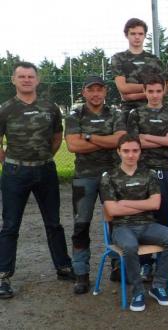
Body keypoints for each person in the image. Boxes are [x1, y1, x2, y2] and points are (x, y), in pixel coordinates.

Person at [0, 62, 74, 299]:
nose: (26, 80)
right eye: (21, 76)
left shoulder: (49, 107)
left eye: (30, 76)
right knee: (10, 226)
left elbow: (57, 136)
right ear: (14, 80)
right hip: (15, 173)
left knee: (54, 222)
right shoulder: (6, 109)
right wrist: (8, 162)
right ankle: (3, 276)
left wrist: (46, 158)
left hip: (45, 171)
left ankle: (63, 267)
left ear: (37, 79)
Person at [100, 135, 168, 312]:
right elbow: (112, 211)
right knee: (129, 246)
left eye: (135, 150)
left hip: (147, 224)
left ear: (140, 152)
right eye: (126, 151)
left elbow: (155, 204)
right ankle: (138, 291)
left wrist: (125, 203)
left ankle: (158, 286)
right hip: (122, 227)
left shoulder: (149, 175)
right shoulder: (109, 177)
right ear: (118, 151)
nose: (130, 155)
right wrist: (141, 205)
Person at [64, 75, 127, 294]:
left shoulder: (116, 113)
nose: (96, 94)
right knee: (81, 224)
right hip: (85, 176)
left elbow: (119, 141)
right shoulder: (75, 115)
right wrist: (105, 140)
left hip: (113, 176)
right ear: (84, 92)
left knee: (117, 221)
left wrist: (89, 136)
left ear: (105, 92)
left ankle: (117, 265)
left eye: (99, 89)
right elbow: (73, 145)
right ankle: (81, 273)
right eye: (91, 90)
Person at [126, 74, 168, 281]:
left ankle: (164, 265)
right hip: (141, 172)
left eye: (159, 91)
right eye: (151, 91)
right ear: (145, 92)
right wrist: (163, 140)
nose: (155, 95)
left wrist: (147, 137)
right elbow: (134, 143)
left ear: (164, 91)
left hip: (165, 170)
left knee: (164, 217)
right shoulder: (136, 113)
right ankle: (145, 264)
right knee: (143, 217)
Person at [111, 18, 164, 116]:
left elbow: (163, 89)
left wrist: (131, 96)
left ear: (145, 36)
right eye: (133, 34)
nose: (137, 37)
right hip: (128, 110)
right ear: (126, 35)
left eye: (140, 34)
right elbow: (123, 88)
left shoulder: (154, 60)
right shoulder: (118, 58)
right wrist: (150, 91)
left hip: (152, 110)